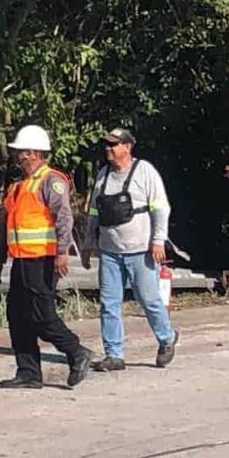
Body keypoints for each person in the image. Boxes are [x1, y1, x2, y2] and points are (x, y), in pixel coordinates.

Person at [0, 125, 93, 389]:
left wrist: (62, 252)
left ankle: (77, 352)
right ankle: (28, 373)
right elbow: (9, 226)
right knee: (17, 315)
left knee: (42, 315)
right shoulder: (18, 187)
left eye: (22, 153)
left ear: (35, 153)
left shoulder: (51, 181)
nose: (18, 158)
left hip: (43, 260)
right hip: (21, 262)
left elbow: (64, 218)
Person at [82, 127, 179, 371]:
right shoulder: (103, 175)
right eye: (107, 144)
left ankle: (166, 338)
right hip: (110, 252)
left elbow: (160, 208)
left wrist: (158, 241)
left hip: (140, 251)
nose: (109, 149)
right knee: (109, 304)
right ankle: (114, 355)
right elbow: (94, 211)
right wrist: (88, 242)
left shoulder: (144, 172)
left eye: (114, 144)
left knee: (149, 300)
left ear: (127, 147)